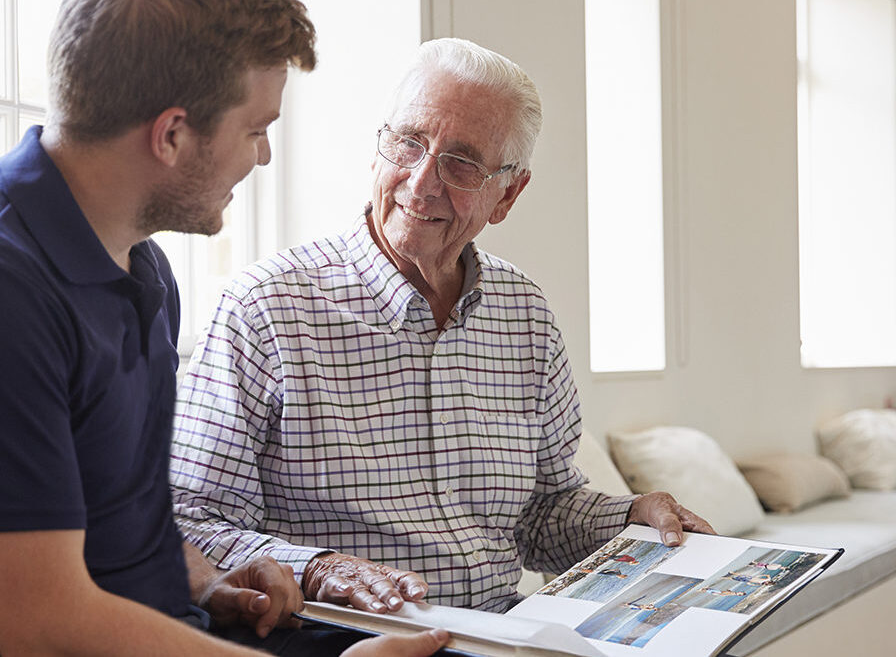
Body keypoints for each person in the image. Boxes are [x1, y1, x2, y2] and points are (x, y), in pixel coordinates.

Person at [0, 0, 447, 656]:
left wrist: (207, 582)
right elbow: (44, 627)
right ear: (172, 134)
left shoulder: (141, 266)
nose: (263, 158)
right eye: (256, 129)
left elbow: (119, 521)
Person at [171, 37, 715, 616]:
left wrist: (629, 516)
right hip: (347, 636)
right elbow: (190, 521)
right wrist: (318, 569)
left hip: (503, 633)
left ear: (507, 193)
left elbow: (541, 514)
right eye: (408, 143)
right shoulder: (266, 307)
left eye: (460, 162)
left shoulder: (525, 315)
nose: (421, 181)